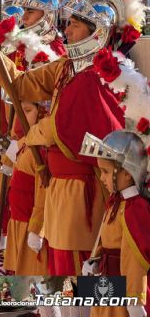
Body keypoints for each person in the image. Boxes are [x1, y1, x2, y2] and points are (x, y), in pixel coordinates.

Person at [0, 0, 125, 275]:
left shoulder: (95, 76)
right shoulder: (65, 67)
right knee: (61, 268)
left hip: (81, 189)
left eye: (75, 25)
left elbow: (62, 125)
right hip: (57, 184)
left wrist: (27, 138)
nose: (66, 30)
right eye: (68, 23)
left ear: (97, 32)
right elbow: (20, 85)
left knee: (78, 270)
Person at [81, 130, 150, 317]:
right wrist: (95, 260)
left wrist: (135, 299)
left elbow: (135, 259)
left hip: (123, 290)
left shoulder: (135, 209)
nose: (101, 177)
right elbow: (106, 239)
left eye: (105, 171)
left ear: (127, 174)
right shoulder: (116, 202)